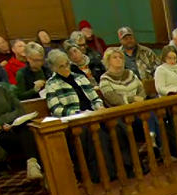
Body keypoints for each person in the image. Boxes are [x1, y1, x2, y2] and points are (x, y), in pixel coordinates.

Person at [45, 49, 133, 184]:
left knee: (117, 126)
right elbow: (56, 109)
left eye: (67, 64)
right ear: (54, 68)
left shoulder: (79, 77)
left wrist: (99, 107)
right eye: (61, 66)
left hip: (93, 114)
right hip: (75, 120)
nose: (66, 68)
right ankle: (105, 173)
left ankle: (128, 166)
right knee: (97, 135)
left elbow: (95, 98)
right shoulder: (52, 84)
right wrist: (77, 114)